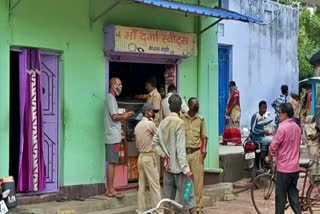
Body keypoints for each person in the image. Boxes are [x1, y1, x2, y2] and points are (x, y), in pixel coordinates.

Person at [152, 95, 196, 214]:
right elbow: (180, 149)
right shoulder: (179, 123)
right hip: (180, 170)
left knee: (168, 201)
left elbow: (154, 143)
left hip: (168, 168)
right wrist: (186, 170)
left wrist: (165, 155)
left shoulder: (163, 123)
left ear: (169, 107)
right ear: (180, 107)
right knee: (189, 197)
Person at [268, 103, 301, 214]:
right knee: (293, 196)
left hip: (283, 170)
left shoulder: (282, 128)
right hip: (294, 169)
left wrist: (270, 158)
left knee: (280, 198)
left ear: (285, 114)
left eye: (280, 112)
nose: (278, 114)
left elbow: (273, 146)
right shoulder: (297, 128)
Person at [104, 77, 134, 199]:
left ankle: (111, 188)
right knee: (112, 162)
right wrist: (125, 115)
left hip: (114, 136)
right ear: (113, 86)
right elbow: (114, 117)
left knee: (113, 162)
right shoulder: (110, 99)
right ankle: (110, 189)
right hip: (112, 137)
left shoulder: (112, 99)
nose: (121, 86)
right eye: (119, 84)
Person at [181, 97, 208, 212]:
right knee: (186, 183)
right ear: (189, 106)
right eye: (194, 105)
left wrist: (204, 149)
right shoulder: (182, 119)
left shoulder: (200, 119)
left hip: (197, 153)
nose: (196, 107)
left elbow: (205, 136)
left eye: (197, 105)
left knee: (197, 183)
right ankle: (187, 207)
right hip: (185, 154)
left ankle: (198, 208)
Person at [134, 103, 161, 213]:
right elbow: (160, 135)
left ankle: (141, 210)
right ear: (147, 112)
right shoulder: (150, 124)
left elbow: (137, 145)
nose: (153, 113)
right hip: (149, 157)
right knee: (155, 186)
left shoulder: (138, 126)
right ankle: (159, 211)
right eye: (152, 111)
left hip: (140, 157)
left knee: (141, 186)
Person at [222, 81, 241, 145]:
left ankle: (238, 141)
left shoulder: (236, 92)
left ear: (233, 86)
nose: (229, 88)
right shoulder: (232, 93)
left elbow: (235, 102)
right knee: (228, 125)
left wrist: (229, 110)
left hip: (235, 112)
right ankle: (225, 140)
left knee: (234, 125)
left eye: (230, 87)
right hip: (231, 112)